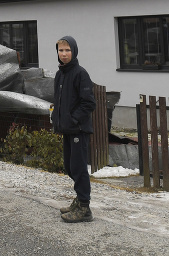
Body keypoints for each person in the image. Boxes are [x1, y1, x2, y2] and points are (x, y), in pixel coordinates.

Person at [51, 35, 96, 223]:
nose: (64, 54)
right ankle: (80, 201)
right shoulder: (60, 74)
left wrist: (73, 119)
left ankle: (84, 207)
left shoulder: (80, 74)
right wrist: (57, 118)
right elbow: (59, 101)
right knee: (70, 167)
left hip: (78, 130)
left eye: (67, 50)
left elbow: (89, 103)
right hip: (67, 130)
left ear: (74, 51)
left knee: (78, 168)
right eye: (61, 50)